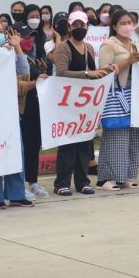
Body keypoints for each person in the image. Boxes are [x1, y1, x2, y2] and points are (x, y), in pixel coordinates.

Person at [0, 18, 40, 208]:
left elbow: (23, 72)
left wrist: (17, 48)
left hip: (10, 110)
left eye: (0, 30)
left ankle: (15, 193)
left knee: (16, 151)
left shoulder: (7, 52)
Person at [52, 11, 111, 195]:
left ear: (87, 27)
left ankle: (82, 181)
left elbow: (94, 73)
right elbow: (61, 72)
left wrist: (106, 70)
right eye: (75, 25)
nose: (79, 28)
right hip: (68, 103)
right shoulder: (64, 47)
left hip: (85, 104)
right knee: (67, 145)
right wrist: (86, 74)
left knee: (85, 144)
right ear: (69, 27)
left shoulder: (89, 48)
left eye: (82, 25)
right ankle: (61, 183)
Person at [97, 9, 139, 191]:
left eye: (130, 23)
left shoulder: (136, 44)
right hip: (116, 94)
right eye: (123, 23)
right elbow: (104, 71)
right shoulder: (108, 44)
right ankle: (107, 178)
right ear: (115, 26)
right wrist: (127, 62)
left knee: (134, 136)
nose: (128, 27)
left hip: (135, 94)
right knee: (116, 134)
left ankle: (126, 176)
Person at [14, 13, 50, 200]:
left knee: (33, 144)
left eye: (32, 37)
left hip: (35, 107)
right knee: (23, 145)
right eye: (25, 37)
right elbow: (18, 86)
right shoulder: (11, 58)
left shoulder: (30, 58)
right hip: (22, 108)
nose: (30, 40)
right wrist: (37, 82)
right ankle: (20, 183)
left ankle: (33, 181)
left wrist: (42, 71)